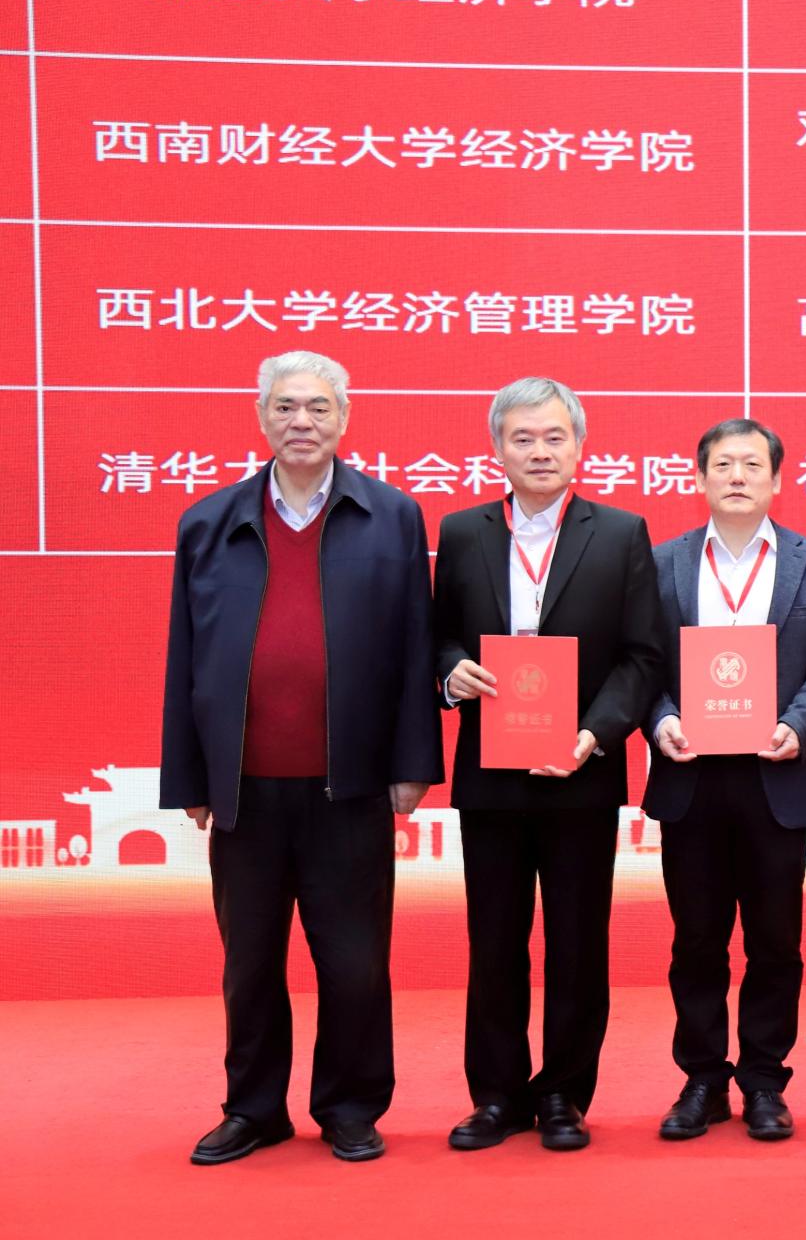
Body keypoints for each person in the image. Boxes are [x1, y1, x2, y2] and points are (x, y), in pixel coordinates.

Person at [161, 350, 442, 1165]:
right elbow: (185, 656)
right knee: (249, 963)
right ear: (262, 417)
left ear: (344, 417)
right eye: (285, 407)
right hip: (244, 789)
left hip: (348, 787)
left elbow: (414, 645)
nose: (302, 422)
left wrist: (413, 763)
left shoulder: (391, 516)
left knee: (354, 962)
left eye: (318, 407)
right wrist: (190, 777)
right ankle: (254, 1108)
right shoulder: (208, 522)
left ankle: (350, 1105)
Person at [434, 376, 668, 1152]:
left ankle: (565, 1093)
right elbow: (437, 636)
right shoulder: (462, 532)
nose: (540, 451)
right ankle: (497, 1096)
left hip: (581, 772)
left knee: (577, 943)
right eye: (523, 438)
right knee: (494, 943)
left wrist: (594, 734)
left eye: (554, 437)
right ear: (497, 448)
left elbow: (642, 656)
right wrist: (451, 671)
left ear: (579, 445)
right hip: (490, 774)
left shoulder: (621, 533)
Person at [644, 418, 806, 1142]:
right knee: (696, 940)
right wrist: (661, 718)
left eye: (752, 465)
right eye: (723, 464)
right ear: (699, 478)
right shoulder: (661, 562)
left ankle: (764, 1080)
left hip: (774, 777)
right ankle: (702, 1079)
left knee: (775, 942)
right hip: (691, 778)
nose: (737, 476)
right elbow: (642, 661)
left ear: (777, 479)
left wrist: (800, 723)